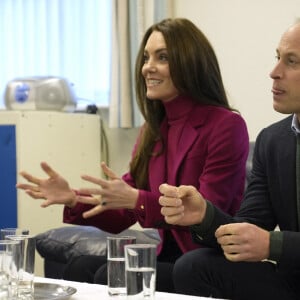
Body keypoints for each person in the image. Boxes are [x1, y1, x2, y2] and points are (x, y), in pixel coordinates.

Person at [17, 18, 249, 292]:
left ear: (190, 62)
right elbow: (123, 211)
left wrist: (137, 199)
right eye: (147, 57)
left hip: (203, 262)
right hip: (167, 258)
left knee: (108, 273)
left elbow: (206, 211)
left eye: (162, 57)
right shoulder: (153, 129)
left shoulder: (226, 125)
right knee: (79, 266)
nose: (147, 67)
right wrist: (73, 199)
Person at [158, 20, 300, 300]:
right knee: (194, 267)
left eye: (292, 62)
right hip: (292, 283)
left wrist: (274, 245)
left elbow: (267, 242)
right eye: (277, 58)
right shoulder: (272, 141)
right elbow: (249, 226)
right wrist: (204, 216)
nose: (274, 73)